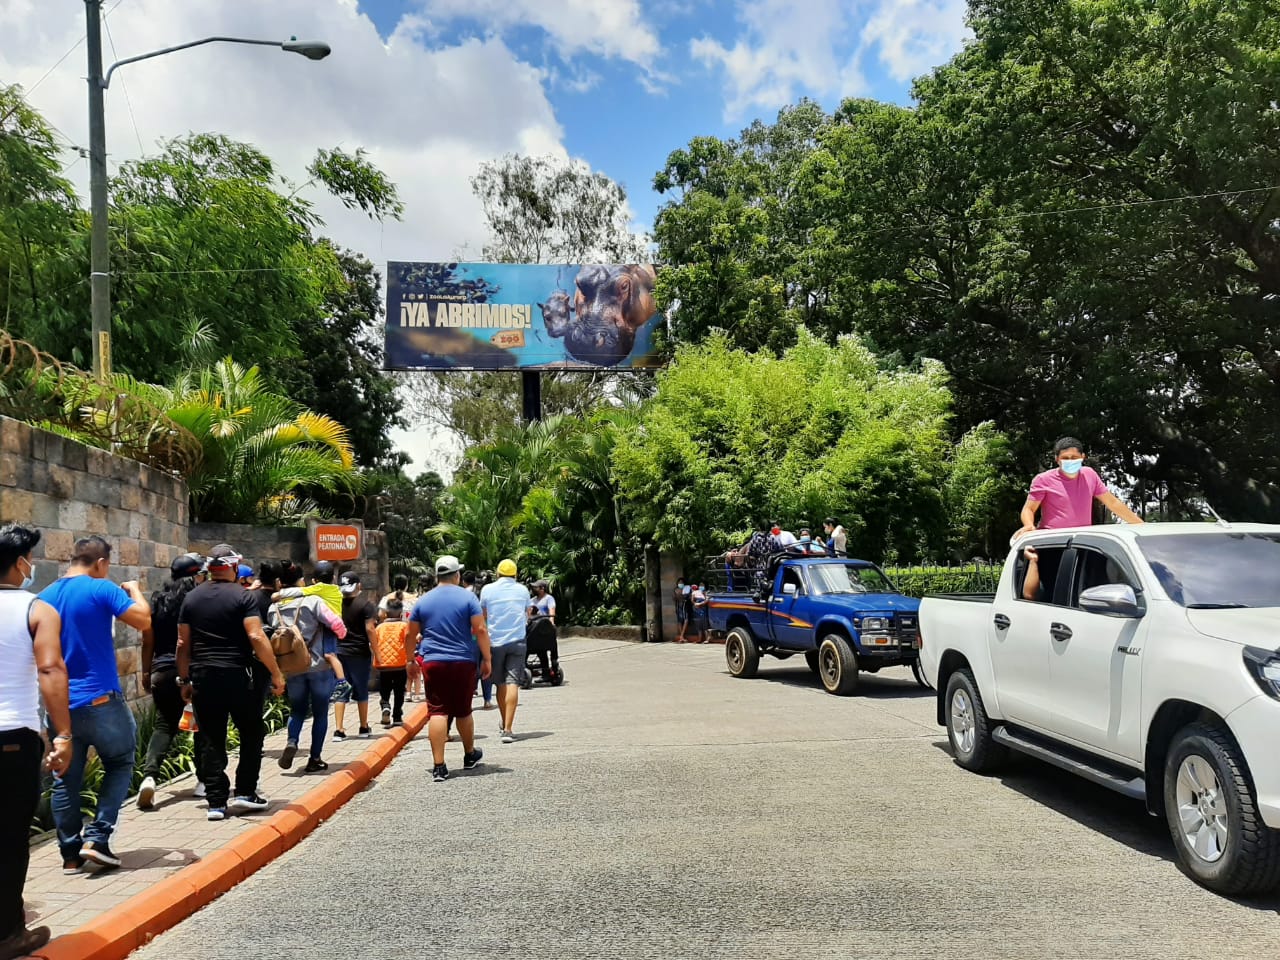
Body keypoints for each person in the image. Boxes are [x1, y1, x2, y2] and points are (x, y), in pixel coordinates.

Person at [38, 535, 150, 872]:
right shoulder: (102, 588)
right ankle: (98, 838)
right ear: (101, 563)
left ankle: (70, 856)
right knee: (120, 761)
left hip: (60, 707)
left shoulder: (44, 597)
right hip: (101, 700)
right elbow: (143, 620)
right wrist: (134, 590)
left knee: (65, 779)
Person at [0, 524, 71, 960]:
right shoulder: (37, 608)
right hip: (12, 738)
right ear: (21, 562)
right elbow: (50, 671)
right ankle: (9, 935)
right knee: (8, 838)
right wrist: (63, 733)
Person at [176, 544, 284, 822]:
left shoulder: (192, 598)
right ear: (234, 567)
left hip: (202, 676)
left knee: (212, 737)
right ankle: (246, 792)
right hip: (239, 675)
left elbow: (182, 643)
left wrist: (184, 678)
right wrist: (275, 672)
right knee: (251, 732)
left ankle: (215, 802)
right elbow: (257, 637)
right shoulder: (243, 596)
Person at [405, 555, 490, 782]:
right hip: (463, 661)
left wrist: (409, 661)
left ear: (436, 576)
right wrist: (487, 659)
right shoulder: (468, 597)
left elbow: (409, 634)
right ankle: (469, 754)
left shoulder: (423, 601)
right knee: (463, 709)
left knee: (437, 711)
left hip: (433, 662)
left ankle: (439, 766)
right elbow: (480, 629)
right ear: (457, 575)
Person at [137, 554, 207, 809]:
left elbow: (147, 640)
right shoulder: (198, 599)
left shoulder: (157, 599)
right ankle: (203, 782)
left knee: (164, 725)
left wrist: (145, 672)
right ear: (195, 574)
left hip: (161, 672)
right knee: (202, 725)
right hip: (191, 670)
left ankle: (149, 777)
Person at [271, 562, 348, 773]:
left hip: (292, 667)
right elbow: (337, 625)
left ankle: (292, 740)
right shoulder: (313, 601)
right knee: (321, 712)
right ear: (300, 581)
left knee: (297, 711)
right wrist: (340, 635)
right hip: (318, 666)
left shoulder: (273, 607)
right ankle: (314, 759)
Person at [1017, 436, 1145, 537]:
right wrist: (1029, 525)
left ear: (1083, 457)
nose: (1070, 460)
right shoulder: (1043, 480)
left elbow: (1112, 503)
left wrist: (1140, 525)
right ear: (1057, 459)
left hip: (1082, 541)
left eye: (1074, 457)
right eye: (1065, 458)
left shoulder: (1089, 475)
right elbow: (1028, 509)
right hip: (1053, 540)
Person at [480, 558, 531, 744]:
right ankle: (508, 729)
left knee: (500, 684)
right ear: (515, 574)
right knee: (513, 684)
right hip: (517, 641)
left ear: (498, 573)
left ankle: (504, 723)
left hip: (495, 642)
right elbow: (528, 613)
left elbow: (483, 615)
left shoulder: (487, 590)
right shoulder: (523, 590)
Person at [333, 571, 377, 741]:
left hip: (340, 651)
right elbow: (370, 629)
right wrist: (377, 653)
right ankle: (364, 726)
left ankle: (339, 729)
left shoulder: (337, 603)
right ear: (359, 585)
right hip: (359, 652)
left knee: (341, 688)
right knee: (361, 690)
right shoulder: (366, 605)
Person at [380, 575, 422, 702]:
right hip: (410, 635)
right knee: (412, 663)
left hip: (391, 636)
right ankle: (414, 692)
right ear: (407, 585)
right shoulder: (414, 599)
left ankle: (404, 692)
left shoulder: (386, 598)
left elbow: (380, 615)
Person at [372, 614, 408, 728]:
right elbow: (409, 640)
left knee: (384, 688)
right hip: (400, 663)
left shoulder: (379, 627)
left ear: (386, 614)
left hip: (384, 664)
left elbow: (373, 644)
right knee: (399, 690)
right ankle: (397, 716)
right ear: (401, 614)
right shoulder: (404, 625)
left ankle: (385, 705)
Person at [273, 560, 341, 616]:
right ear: (334, 578)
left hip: (326, 628)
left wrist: (280, 593)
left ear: (313, 581)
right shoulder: (338, 591)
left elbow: (299, 591)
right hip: (338, 627)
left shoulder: (318, 588)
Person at [528, 579, 561, 679]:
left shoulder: (548, 598)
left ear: (542, 588)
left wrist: (552, 622)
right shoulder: (532, 600)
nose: (534, 589)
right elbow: (528, 614)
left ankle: (554, 666)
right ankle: (545, 672)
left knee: (552, 646)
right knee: (541, 650)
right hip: (535, 627)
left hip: (546, 627)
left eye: (536, 587)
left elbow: (552, 610)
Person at [672, 577, 688, 641]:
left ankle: (681, 635)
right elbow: (674, 598)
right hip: (678, 606)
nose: (680, 583)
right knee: (680, 621)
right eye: (679, 582)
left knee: (686, 620)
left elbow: (686, 597)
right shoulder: (675, 589)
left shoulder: (686, 589)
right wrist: (679, 596)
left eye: (682, 582)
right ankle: (681, 636)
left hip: (685, 606)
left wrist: (680, 595)